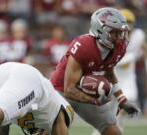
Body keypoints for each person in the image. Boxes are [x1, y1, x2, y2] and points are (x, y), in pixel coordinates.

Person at [50, 7, 139, 135]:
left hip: (84, 89)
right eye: (115, 32)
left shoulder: (119, 47)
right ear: (101, 30)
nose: (120, 37)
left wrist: (122, 100)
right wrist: (95, 101)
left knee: (113, 129)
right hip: (60, 90)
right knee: (58, 129)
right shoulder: (83, 46)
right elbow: (69, 89)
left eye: (121, 32)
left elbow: (109, 73)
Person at [0, 62, 73, 135]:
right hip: (26, 78)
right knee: (1, 114)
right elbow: (58, 118)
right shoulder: (55, 118)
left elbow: (4, 124)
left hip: (9, 73)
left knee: (4, 115)